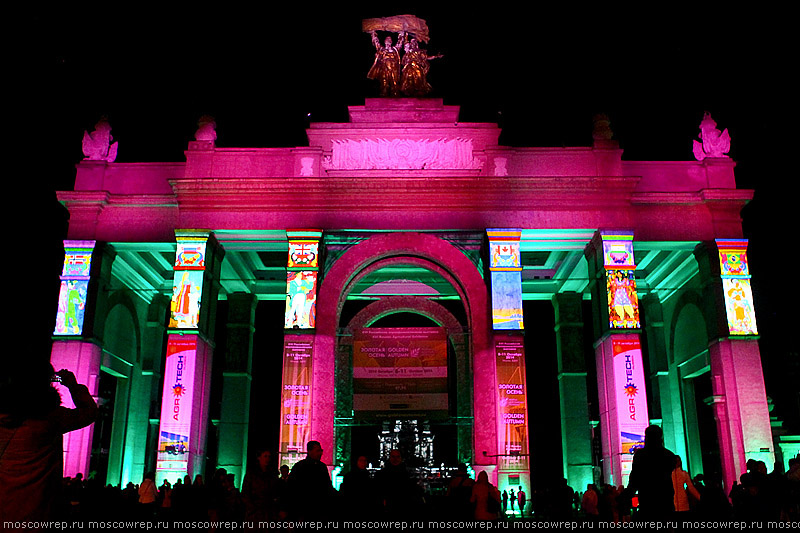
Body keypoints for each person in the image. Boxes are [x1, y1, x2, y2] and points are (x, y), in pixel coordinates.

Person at [1, 364, 98, 521]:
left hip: (5, 505)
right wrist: (72, 386)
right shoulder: (52, 418)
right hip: (39, 508)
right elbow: (89, 412)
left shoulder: (3, 418)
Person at [627, 425, 677, 520]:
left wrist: (627, 495)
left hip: (647, 501)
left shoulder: (640, 455)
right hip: (665, 501)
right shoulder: (669, 456)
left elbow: (634, 479)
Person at [287, 440, 335, 519]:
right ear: (309, 451)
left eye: (320, 451)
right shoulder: (303, 467)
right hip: (308, 509)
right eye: (318, 451)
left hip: (311, 509)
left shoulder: (301, 466)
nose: (320, 453)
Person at [376, 448, 421, 517]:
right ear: (390, 457)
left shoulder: (407, 473)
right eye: (393, 457)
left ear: (401, 458)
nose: (395, 459)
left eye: (397, 457)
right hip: (388, 507)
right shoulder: (383, 473)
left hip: (403, 507)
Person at [242, 449, 279, 521]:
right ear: (259, 458)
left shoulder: (272, 474)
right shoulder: (252, 474)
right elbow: (245, 493)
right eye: (265, 456)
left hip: (268, 512)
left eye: (269, 457)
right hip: (255, 513)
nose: (267, 459)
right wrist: (252, 508)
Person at [367, 31, 405, 97]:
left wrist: (401, 35)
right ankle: (384, 93)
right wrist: (373, 34)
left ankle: (395, 93)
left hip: (393, 67)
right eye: (387, 39)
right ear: (385, 41)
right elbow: (376, 42)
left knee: (394, 81)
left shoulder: (394, 49)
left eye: (390, 40)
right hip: (384, 67)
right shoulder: (381, 49)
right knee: (384, 81)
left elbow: (400, 43)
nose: (388, 41)